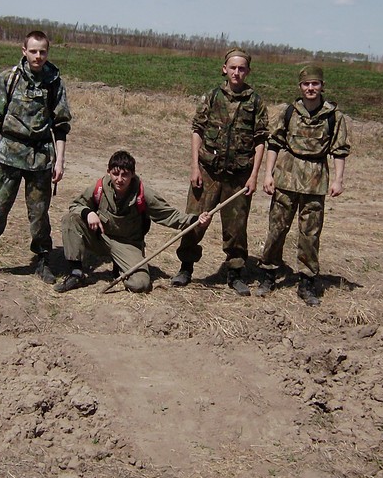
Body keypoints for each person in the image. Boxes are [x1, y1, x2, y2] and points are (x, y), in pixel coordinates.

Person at [0, 29, 71, 282]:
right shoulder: (8, 78)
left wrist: (60, 160)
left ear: (48, 52)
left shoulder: (54, 82)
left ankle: (43, 260)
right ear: (24, 51)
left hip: (40, 158)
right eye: (33, 51)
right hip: (8, 154)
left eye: (42, 52)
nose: (38, 56)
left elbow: (61, 125)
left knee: (39, 213)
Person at [171, 47, 269, 295]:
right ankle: (185, 268)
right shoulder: (212, 97)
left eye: (241, 68)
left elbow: (260, 140)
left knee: (236, 228)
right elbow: (197, 131)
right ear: (224, 69)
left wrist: (254, 176)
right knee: (194, 221)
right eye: (232, 67)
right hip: (208, 172)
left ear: (248, 71)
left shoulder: (255, 102)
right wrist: (195, 167)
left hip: (238, 176)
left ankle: (235, 273)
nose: (237, 72)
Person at [256, 64, 350, 306]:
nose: (310, 88)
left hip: (315, 181)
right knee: (277, 229)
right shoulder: (289, 112)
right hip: (286, 178)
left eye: (315, 84)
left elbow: (339, 150)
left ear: (322, 86)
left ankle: (307, 282)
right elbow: (274, 144)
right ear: (300, 86)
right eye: (306, 84)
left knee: (310, 234)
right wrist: (268, 175)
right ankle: (268, 274)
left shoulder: (333, 117)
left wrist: (338, 180)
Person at [56, 150, 213, 294]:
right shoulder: (99, 188)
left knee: (140, 284)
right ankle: (76, 273)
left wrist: (196, 220)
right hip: (101, 238)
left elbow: (169, 215)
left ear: (132, 174)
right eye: (115, 174)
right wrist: (88, 212)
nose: (119, 179)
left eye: (125, 175)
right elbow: (76, 205)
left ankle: (121, 265)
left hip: (128, 245)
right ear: (108, 171)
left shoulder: (143, 193)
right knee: (71, 219)